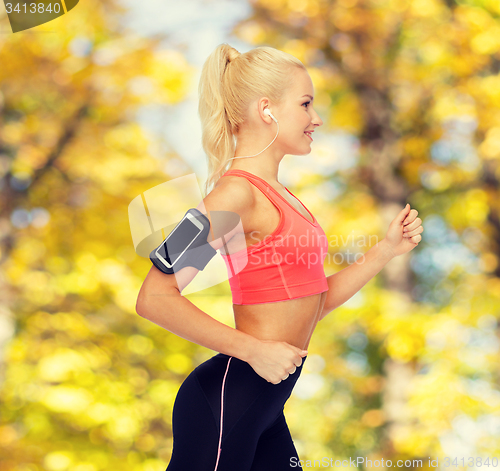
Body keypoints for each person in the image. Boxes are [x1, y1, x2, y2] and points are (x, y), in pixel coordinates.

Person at [135, 43, 423, 471]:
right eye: (306, 104)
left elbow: (313, 303)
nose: (316, 119)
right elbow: (154, 297)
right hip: (225, 402)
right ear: (266, 109)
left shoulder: (288, 200)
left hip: (266, 405)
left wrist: (385, 251)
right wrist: (253, 350)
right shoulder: (234, 195)